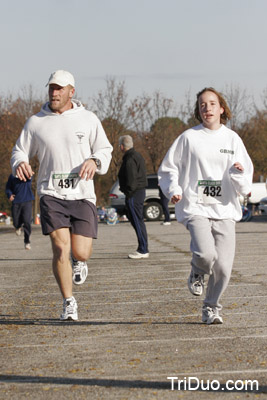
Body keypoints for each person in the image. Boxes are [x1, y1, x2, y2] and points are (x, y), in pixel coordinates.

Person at [11, 70, 112, 321]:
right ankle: (68, 301)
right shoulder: (36, 121)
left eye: (59, 89)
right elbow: (19, 151)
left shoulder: (88, 119)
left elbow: (105, 150)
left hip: (82, 193)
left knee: (81, 251)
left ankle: (79, 261)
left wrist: (94, 160)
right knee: (59, 247)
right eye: (51, 88)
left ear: (71, 92)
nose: (54, 93)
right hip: (51, 192)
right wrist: (19, 163)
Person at [158, 87, 253, 325]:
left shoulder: (232, 139)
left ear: (222, 108)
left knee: (223, 267)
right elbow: (169, 169)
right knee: (205, 254)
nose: (207, 108)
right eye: (202, 104)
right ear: (198, 110)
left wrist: (240, 177)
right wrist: (175, 190)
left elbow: (245, 173)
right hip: (196, 206)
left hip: (224, 209)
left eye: (212, 103)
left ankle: (211, 307)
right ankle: (198, 271)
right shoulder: (189, 138)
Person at [118, 135, 149, 259]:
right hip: (138, 192)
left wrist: (129, 193)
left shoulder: (129, 159)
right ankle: (143, 247)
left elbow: (132, 179)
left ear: (122, 146)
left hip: (134, 194)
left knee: (137, 220)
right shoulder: (137, 155)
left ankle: (143, 249)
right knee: (138, 220)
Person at [5, 174, 34, 250]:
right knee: (15, 221)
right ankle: (17, 226)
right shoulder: (12, 176)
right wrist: (9, 195)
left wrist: (29, 172)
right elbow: (8, 188)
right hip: (16, 202)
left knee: (27, 221)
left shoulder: (27, 174)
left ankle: (27, 242)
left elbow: (30, 178)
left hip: (27, 201)